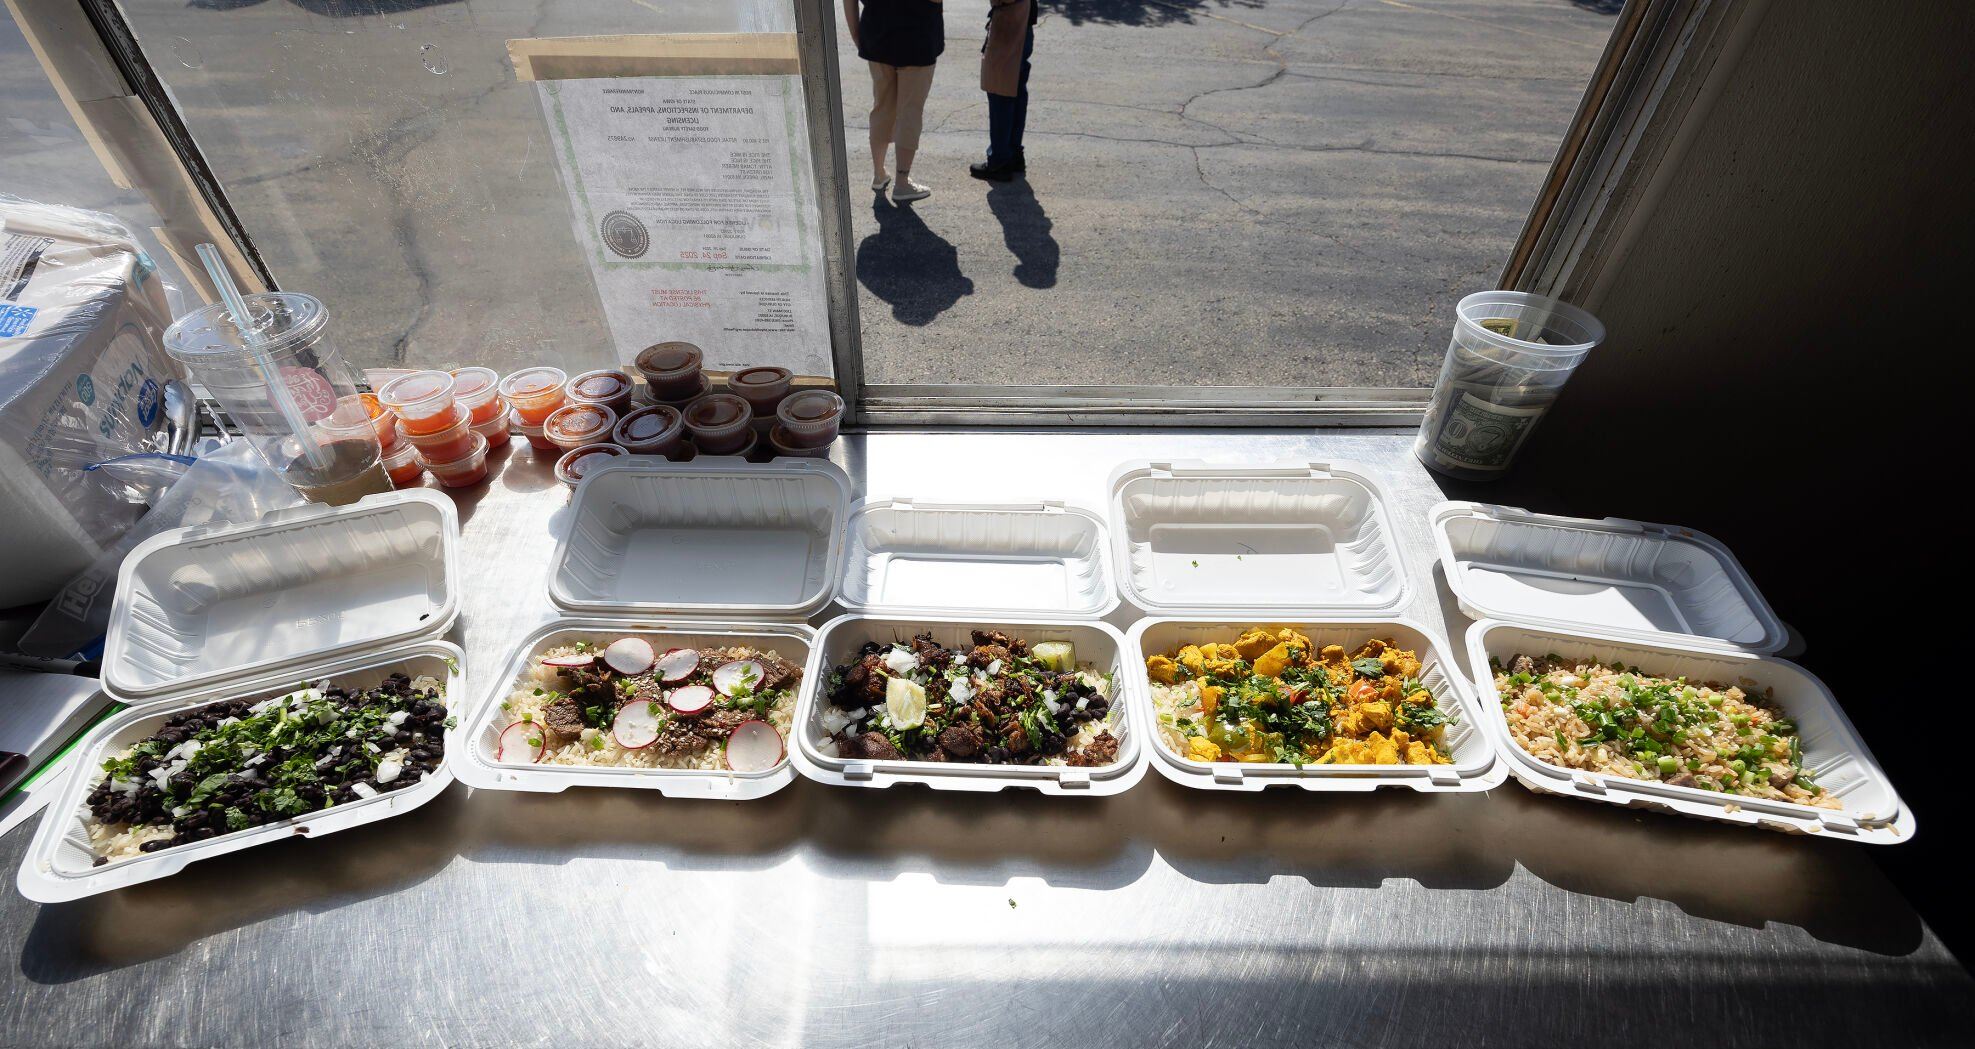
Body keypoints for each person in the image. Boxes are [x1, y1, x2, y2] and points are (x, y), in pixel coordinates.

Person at [845, 0, 944, 203]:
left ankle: (879, 173)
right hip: (919, 35)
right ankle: (902, 182)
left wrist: (857, 34)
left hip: (877, 33)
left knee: (882, 107)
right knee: (910, 111)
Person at [971, 0, 1036, 182]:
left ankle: (1000, 159)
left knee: (1002, 90)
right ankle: (1012, 153)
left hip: (1011, 20)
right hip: (1020, 19)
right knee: (1014, 90)